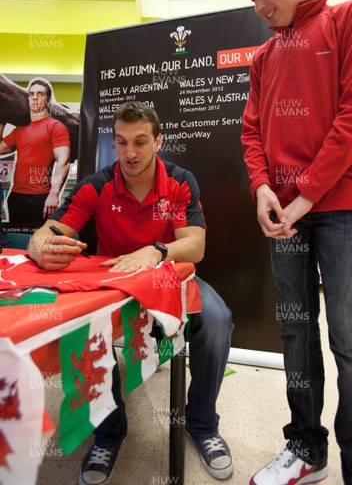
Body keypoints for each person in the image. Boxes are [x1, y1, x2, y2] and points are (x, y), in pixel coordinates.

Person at [239, 0, 352, 485]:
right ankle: (305, 448)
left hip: (344, 204)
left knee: (351, 339)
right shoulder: (263, 58)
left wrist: (305, 192)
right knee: (297, 334)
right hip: (285, 212)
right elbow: (251, 129)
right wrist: (262, 187)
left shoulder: (349, 18)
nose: (259, 7)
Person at [28, 101, 234, 484]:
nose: (130, 152)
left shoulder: (180, 181)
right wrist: (40, 248)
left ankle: (202, 424)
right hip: (115, 284)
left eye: (140, 141)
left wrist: (155, 251)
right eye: (121, 142)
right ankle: (109, 430)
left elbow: (196, 246)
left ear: (159, 141)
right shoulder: (97, 184)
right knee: (84, 322)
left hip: (170, 279)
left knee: (218, 320)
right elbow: (49, 232)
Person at [0, 77, 70, 224]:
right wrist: (2, 119)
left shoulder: (55, 127)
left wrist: (54, 193)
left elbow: (63, 161)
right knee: (18, 243)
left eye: (40, 94)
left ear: (49, 100)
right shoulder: (20, 130)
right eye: (31, 94)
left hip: (41, 198)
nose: (35, 98)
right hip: (16, 196)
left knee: (39, 243)